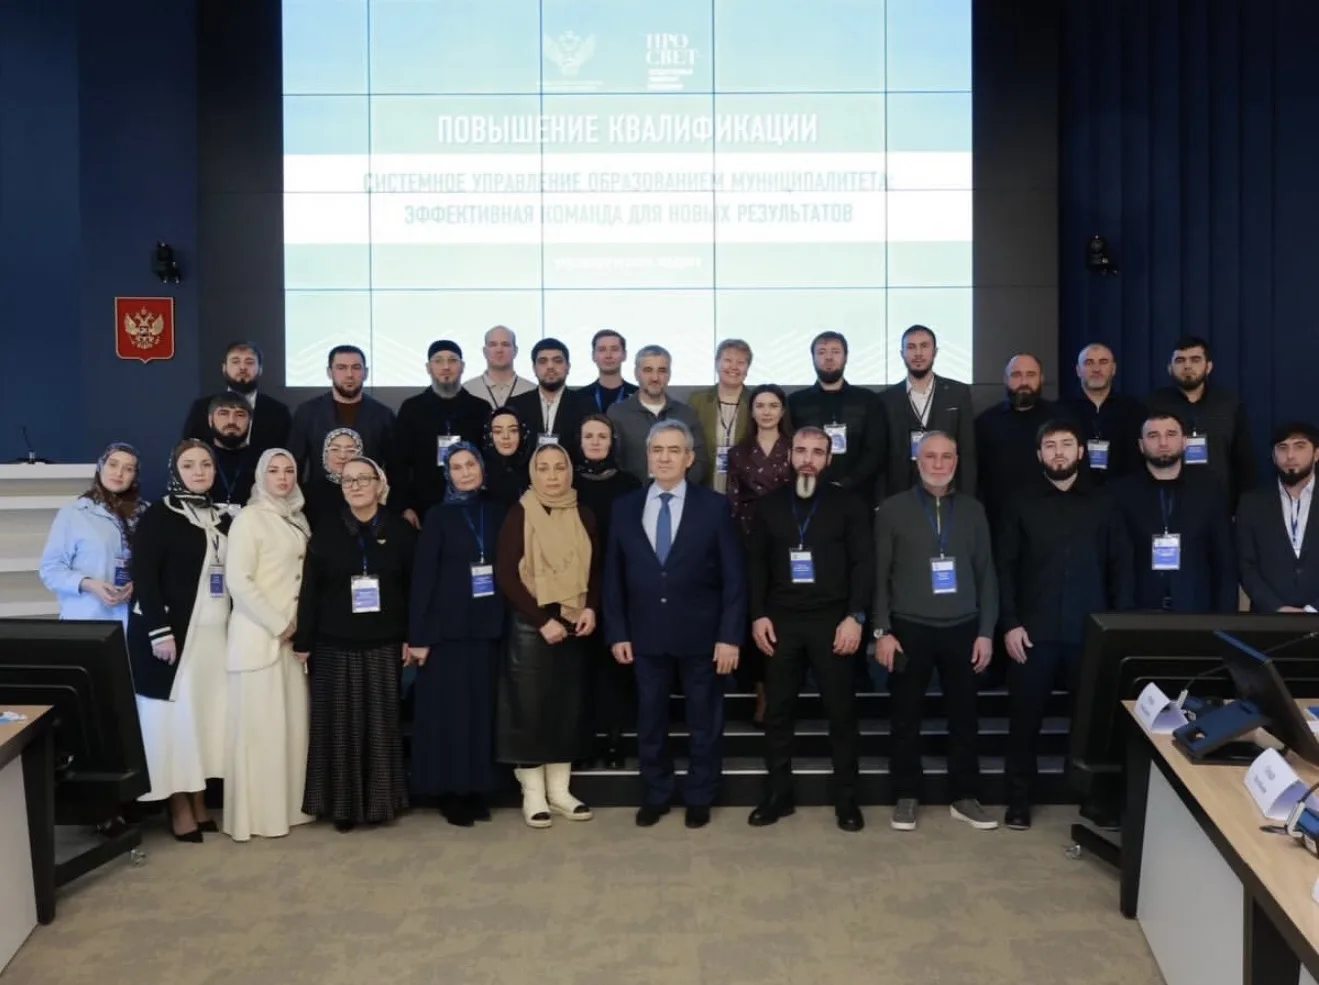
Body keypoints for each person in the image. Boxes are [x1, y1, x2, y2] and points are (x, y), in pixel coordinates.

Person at [603, 419, 746, 829]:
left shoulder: (714, 507)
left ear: (689, 458)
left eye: (673, 450)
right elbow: (613, 576)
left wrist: (729, 636)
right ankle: (656, 793)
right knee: (650, 720)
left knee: (704, 722)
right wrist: (617, 632)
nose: (664, 458)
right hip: (645, 635)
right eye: (657, 450)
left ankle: (701, 795)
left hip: (703, 636)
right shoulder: (625, 507)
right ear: (648, 457)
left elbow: (734, 578)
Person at [995, 420, 1133, 830]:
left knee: (1092, 724)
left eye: (1066, 444)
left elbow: (1122, 569)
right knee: (1024, 721)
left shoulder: (1105, 503)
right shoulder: (1019, 502)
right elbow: (1005, 568)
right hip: (1031, 634)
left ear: (1081, 452)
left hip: (1090, 633)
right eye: (1050, 445)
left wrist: (1116, 629)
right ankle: (1019, 801)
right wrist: (1010, 623)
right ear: (1039, 454)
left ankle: (1095, 800)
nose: (1058, 452)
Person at [746, 427, 872, 832]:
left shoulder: (849, 505)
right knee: (778, 713)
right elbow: (756, 564)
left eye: (818, 452)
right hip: (781, 622)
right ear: (790, 455)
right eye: (801, 450)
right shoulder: (769, 506)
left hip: (833, 621)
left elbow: (863, 565)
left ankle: (847, 799)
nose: (808, 459)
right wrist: (758, 615)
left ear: (829, 459)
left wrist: (856, 617)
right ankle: (777, 795)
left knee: (841, 713)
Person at [872, 431, 999, 832]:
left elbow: (987, 575)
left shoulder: (974, 510)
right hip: (909, 629)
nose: (939, 464)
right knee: (905, 717)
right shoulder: (892, 510)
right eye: (931, 456)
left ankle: (965, 796)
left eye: (947, 457)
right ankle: (906, 795)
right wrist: (881, 630)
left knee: (965, 717)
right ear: (917, 460)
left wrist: (986, 631)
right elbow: (880, 575)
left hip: (963, 628)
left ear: (957, 462)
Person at [293, 456, 416, 832]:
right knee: (337, 728)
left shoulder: (401, 531)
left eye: (364, 479)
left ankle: (380, 804)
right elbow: (310, 591)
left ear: (380, 485)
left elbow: (413, 589)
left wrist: (412, 636)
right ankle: (342, 807)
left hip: (383, 642)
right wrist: (304, 641)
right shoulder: (326, 531)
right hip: (334, 643)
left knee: (380, 727)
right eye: (348, 480)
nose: (356, 486)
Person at [127, 440, 231, 841]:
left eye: (206, 464)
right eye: (189, 465)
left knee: (201, 721)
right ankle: (178, 806)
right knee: (173, 724)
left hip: (212, 639)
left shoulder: (221, 517)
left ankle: (200, 799)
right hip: (172, 640)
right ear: (175, 470)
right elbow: (145, 576)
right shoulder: (160, 515)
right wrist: (159, 631)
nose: (199, 471)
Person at [494, 443, 601, 828]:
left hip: (573, 620)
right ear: (533, 473)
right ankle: (533, 794)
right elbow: (507, 575)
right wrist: (542, 621)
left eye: (559, 467)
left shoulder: (584, 514)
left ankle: (559, 792)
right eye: (544, 468)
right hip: (531, 624)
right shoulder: (520, 513)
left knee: (565, 708)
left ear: (570, 471)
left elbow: (595, 569)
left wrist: (590, 608)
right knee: (529, 710)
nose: (552, 476)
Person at [408, 443, 507, 826]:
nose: (465, 472)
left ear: (482, 469)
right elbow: (424, 578)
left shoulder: (497, 512)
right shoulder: (438, 516)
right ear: (447, 474)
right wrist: (419, 636)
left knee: (480, 714)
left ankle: (476, 788)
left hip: (487, 628)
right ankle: (449, 793)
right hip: (446, 632)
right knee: (448, 716)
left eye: (470, 465)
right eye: (457, 467)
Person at [222, 448, 314, 842]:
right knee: (260, 732)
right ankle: (258, 818)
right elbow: (239, 581)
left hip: (291, 643)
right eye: (274, 470)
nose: (282, 477)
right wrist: (280, 624)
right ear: (261, 476)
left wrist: (299, 626)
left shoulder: (296, 518)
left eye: (289, 470)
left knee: (288, 730)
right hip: (260, 637)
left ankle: (289, 810)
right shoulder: (250, 518)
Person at [1110, 412, 1237, 614]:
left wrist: (1226, 617)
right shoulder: (1120, 493)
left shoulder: (1209, 489)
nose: (1163, 442)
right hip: (1138, 612)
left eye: (1170, 434)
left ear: (1185, 441)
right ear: (1141, 445)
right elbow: (1115, 560)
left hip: (1197, 611)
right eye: (1153, 436)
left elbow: (1224, 559)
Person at [573, 414, 643, 769]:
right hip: (575, 586)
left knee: (615, 667)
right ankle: (584, 742)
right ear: (580, 441)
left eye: (602, 436)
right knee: (580, 668)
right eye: (589, 436)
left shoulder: (630, 484)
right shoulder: (566, 481)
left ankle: (615, 740)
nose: (596, 442)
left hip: (619, 582)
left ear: (612, 441)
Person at [726, 383, 793, 727]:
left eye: (773, 405)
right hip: (749, 540)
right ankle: (760, 691)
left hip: (788, 540)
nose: (766, 412)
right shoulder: (738, 453)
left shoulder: (795, 448)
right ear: (751, 411)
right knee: (756, 611)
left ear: (782, 411)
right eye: (760, 405)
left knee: (784, 613)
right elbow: (732, 502)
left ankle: (784, 689)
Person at [40, 442, 146, 626]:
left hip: (134, 621)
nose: (119, 473)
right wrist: (89, 584)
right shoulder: (74, 513)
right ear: (100, 466)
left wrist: (139, 584)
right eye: (113, 464)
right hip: (87, 619)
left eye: (128, 469)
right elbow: (51, 569)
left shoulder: (145, 514)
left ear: (135, 476)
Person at [1146, 335, 1256, 510]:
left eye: (1195, 360)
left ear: (1209, 366)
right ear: (1169, 368)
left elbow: (1245, 463)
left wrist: (1243, 509)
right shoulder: (1153, 404)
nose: (1187, 366)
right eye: (1180, 360)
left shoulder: (1229, 404)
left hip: (1221, 505)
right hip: (1167, 506)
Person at [390, 339, 489, 528]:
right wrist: (404, 506)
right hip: (422, 508)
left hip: (472, 505)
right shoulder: (412, 409)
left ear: (462, 366)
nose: (446, 367)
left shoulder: (480, 409)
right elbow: (398, 463)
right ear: (428, 368)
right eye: (438, 361)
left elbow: (488, 461)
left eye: (452, 360)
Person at [787, 331, 887, 509]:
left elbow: (876, 450)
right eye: (822, 352)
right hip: (807, 495)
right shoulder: (795, 402)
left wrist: (847, 482)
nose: (829, 358)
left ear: (845, 357)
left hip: (858, 496)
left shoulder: (868, 400)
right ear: (813, 358)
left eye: (835, 352)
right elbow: (789, 448)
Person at [878, 325, 977, 498]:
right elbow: (880, 457)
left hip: (947, 492)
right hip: (900, 494)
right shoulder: (886, 399)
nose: (918, 353)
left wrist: (967, 498)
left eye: (924, 346)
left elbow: (967, 451)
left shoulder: (958, 393)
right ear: (902, 354)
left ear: (935, 352)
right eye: (911, 347)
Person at [1237, 422, 1319, 613]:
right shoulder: (1251, 504)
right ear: (1274, 456)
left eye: (1299, 446)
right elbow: (1245, 565)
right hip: (1268, 619)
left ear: (1316, 454)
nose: (1290, 455)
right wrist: (1277, 609)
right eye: (1282, 448)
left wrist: (1312, 610)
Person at [287, 345, 396, 483]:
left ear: (366, 373)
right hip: (318, 495)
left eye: (356, 367)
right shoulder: (307, 412)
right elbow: (295, 464)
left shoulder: (383, 415)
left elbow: (395, 468)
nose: (349, 374)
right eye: (341, 368)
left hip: (369, 495)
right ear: (329, 372)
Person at [974, 353, 1056, 533]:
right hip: (999, 522)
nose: (1024, 382)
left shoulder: (1060, 419)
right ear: (1005, 379)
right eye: (1016, 375)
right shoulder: (985, 422)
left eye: (1031, 374)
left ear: (1041, 378)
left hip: (1050, 520)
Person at [607, 345, 708, 485]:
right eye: (648, 370)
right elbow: (611, 461)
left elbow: (699, 461)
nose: (655, 378)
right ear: (636, 373)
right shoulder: (618, 413)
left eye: (662, 371)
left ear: (669, 374)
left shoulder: (686, 414)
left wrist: (676, 490)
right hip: (632, 494)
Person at [180, 341, 292, 454]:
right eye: (235, 361)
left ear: (260, 369)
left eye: (249, 362)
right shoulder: (201, 408)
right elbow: (186, 452)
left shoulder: (279, 412)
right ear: (224, 368)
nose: (242, 367)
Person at [1063, 343, 1146, 484]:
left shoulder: (1135, 409)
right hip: (1075, 491)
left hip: (1124, 490)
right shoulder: (1061, 410)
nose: (1096, 369)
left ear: (1113, 369)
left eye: (1103, 362)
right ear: (1078, 370)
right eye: (1089, 363)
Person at [507, 337, 587, 462]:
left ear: (568, 367)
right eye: (543, 361)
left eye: (557, 361)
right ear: (534, 368)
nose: (550, 366)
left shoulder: (585, 405)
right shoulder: (516, 406)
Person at [689, 339, 753, 492]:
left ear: (747, 368)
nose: (734, 367)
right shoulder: (697, 401)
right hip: (704, 487)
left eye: (741, 362)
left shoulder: (756, 402)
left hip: (745, 489)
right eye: (728, 360)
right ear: (717, 363)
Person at [206, 393, 262, 514]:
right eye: (224, 413)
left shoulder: (263, 461)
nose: (232, 421)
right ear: (210, 420)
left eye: (240, 415)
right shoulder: (199, 458)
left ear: (250, 422)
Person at [462, 325, 537, 408]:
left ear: (515, 351)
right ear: (484, 351)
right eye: (493, 345)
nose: (499, 350)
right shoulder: (467, 390)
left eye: (505, 344)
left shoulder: (533, 390)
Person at [303, 427, 364, 528]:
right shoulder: (308, 493)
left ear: (360, 454)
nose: (342, 456)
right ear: (325, 454)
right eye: (335, 449)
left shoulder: (368, 489)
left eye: (350, 450)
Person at [576, 329, 638, 412]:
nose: (608, 355)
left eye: (614, 349)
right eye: (602, 350)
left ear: (624, 355)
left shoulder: (639, 396)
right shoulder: (579, 397)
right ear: (593, 356)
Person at [482, 406, 533, 507]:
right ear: (489, 435)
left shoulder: (534, 468)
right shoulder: (480, 472)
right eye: (498, 431)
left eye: (513, 430)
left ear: (522, 434)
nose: (506, 436)